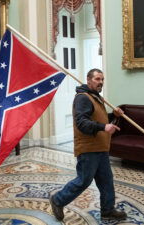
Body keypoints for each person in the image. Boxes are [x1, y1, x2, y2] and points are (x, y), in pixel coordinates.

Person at [49, 69, 127, 221]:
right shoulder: (83, 98)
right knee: (83, 180)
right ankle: (58, 200)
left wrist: (113, 116)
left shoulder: (96, 97)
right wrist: (104, 127)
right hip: (89, 148)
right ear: (89, 80)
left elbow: (99, 119)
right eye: (97, 79)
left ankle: (107, 210)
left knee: (106, 180)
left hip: (101, 147)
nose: (101, 82)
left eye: (102, 79)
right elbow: (82, 123)